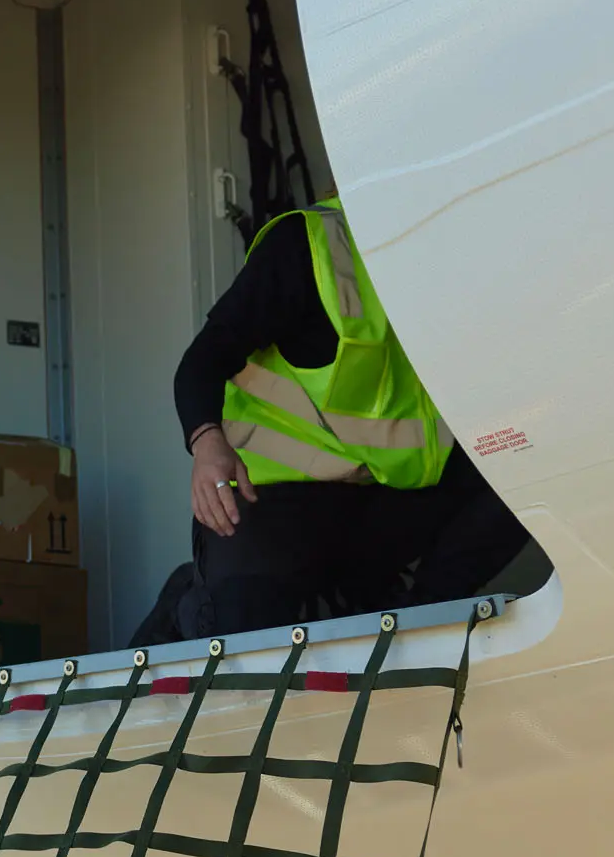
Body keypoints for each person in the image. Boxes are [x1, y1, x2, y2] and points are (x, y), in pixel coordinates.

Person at [172, 196, 531, 635]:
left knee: (525, 455)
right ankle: (185, 603)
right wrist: (206, 443)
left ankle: (419, 620)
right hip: (268, 500)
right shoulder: (314, 244)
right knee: (245, 646)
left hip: (376, 495)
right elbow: (202, 359)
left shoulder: (463, 261)